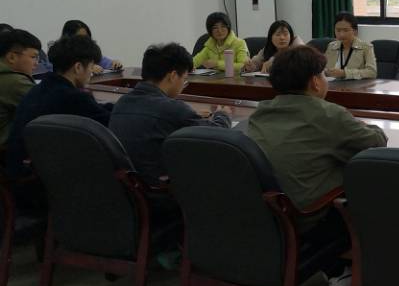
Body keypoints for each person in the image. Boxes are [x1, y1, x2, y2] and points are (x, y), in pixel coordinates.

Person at [248, 45, 386, 286]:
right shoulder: (327, 114)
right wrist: (364, 125)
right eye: (323, 74)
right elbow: (376, 143)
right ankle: (359, 276)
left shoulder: (261, 112)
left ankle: (336, 270)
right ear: (314, 82)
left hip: (266, 216)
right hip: (309, 219)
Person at [109, 43, 232, 184]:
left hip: (130, 189)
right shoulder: (172, 109)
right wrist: (223, 114)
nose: (183, 84)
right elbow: (218, 133)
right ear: (173, 76)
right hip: (161, 190)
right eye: (184, 79)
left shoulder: (122, 102)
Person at [5, 35, 113, 179]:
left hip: (22, 172)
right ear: (78, 67)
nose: (91, 72)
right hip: (43, 179)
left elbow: (96, 110)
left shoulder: (40, 89)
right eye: (91, 67)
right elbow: (111, 124)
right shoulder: (74, 97)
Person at [0, 29, 40, 150]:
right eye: (33, 57)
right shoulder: (16, 82)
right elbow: (49, 106)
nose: (36, 63)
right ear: (12, 57)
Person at [324, 11, 377, 80]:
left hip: (356, 86)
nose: (341, 34)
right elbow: (324, 68)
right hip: (332, 85)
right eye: (338, 30)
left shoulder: (366, 47)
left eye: (346, 30)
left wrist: (344, 73)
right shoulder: (331, 46)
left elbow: (372, 72)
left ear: (355, 31)